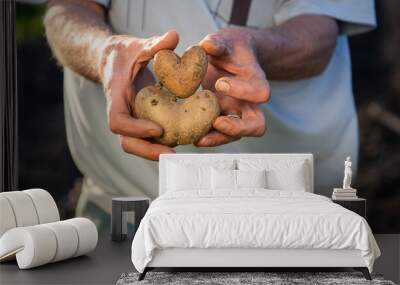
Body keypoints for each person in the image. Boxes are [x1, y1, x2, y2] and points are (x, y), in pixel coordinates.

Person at [43, 0, 376, 229]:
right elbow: (66, 10)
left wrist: (257, 49)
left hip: (288, 211)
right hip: (126, 210)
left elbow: (319, 26)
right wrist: (104, 54)